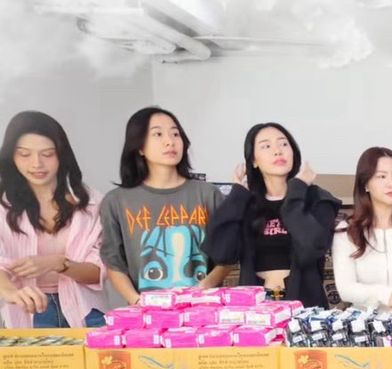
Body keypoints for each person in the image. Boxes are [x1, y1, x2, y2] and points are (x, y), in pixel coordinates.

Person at [203, 122, 340, 307]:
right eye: (266, 146)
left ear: (293, 153)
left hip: (305, 309)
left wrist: (297, 189)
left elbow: (311, 248)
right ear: (254, 161)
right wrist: (237, 196)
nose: (277, 151)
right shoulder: (246, 203)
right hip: (255, 310)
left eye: (283, 144)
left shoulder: (317, 199)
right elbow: (221, 252)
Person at [100, 106, 225, 305]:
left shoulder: (208, 195)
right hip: (147, 313)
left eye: (175, 134)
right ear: (139, 147)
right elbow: (113, 262)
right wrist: (137, 302)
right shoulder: (116, 201)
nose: (170, 141)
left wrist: (203, 290)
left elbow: (227, 255)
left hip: (202, 310)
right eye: (158, 134)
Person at [0, 111, 106, 327]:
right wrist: (11, 292)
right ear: (12, 157)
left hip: (85, 309)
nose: (37, 163)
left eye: (47, 154)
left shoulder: (92, 203)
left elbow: (98, 273)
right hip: (30, 311)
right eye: (24, 154)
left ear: (61, 155)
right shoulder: (3, 206)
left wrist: (56, 263)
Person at [333, 147, 392, 312]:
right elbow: (345, 289)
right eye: (382, 176)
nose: (391, 183)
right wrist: (387, 294)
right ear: (366, 184)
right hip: (365, 324)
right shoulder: (347, 231)